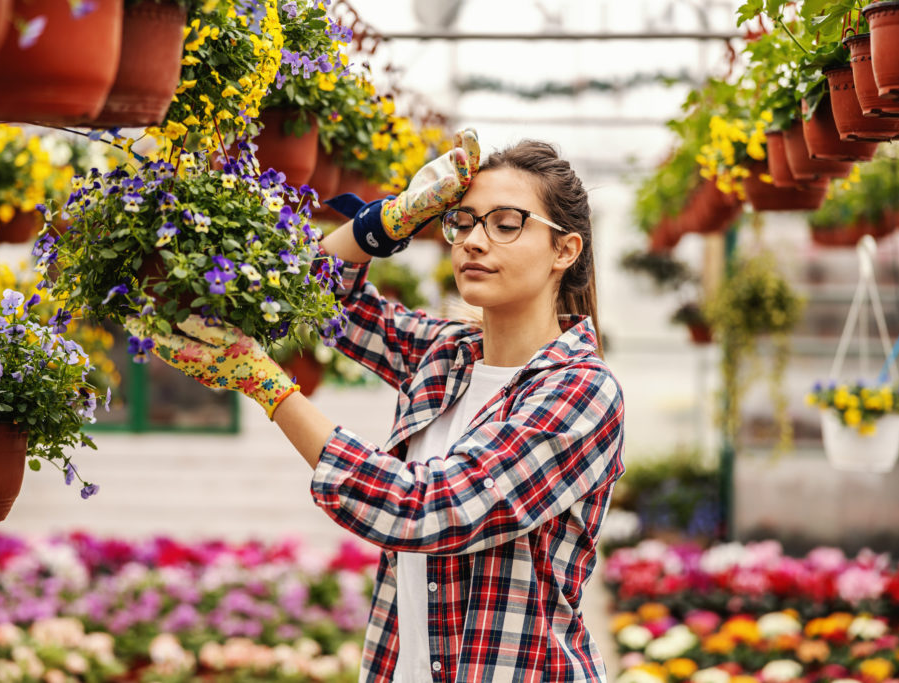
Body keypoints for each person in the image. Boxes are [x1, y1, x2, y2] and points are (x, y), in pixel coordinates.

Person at [133, 130, 625, 682]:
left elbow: (429, 509)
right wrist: (389, 218)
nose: (473, 241)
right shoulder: (445, 356)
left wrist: (270, 388)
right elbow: (318, 292)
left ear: (565, 249)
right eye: (462, 222)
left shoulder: (580, 392)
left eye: (505, 224)